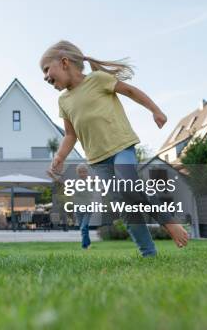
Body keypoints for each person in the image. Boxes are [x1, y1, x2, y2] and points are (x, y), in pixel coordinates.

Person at [39, 40, 188, 257]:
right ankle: (149, 254)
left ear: (64, 62)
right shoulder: (64, 101)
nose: (45, 77)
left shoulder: (98, 80)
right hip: (98, 161)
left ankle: (169, 222)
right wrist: (60, 156)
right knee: (126, 208)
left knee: (129, 184)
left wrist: (155, 110)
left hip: (121, 147)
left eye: (46, 69)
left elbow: (129, 90)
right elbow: (71, 134)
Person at [74, 163, 94, 250]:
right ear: (77, 173)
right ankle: (88, 243)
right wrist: (54, 176)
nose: (82, 174)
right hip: (78, 207)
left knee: (83, 227)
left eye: (84, 172)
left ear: (87, 172)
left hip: (88, 207)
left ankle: (84, 246)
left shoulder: (91, 181)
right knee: (83, 228)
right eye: (80, 172)